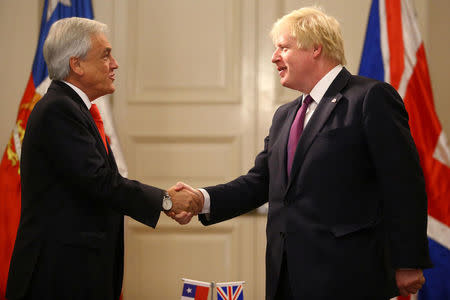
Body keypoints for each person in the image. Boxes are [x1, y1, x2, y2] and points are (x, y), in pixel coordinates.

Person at [169, 7, 432, 300]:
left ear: (316, 48)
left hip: (346, 277)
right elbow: (260, 182)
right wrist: (201, 199)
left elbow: (404, 184)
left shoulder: (370, 98)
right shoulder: (285, 115)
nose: (274, 57)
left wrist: (408, 260)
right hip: (286, 275)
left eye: (283, 47)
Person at [5, 17, 201, 300]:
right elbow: (99, 181)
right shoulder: (58, 110)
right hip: (57, 278)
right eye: (106, 55)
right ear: (77, 64)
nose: (115, 64)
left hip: (75, 273)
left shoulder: (73, 109)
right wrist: (165, 200)